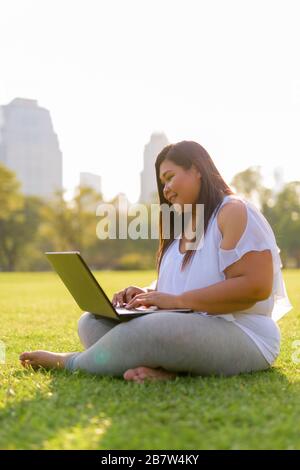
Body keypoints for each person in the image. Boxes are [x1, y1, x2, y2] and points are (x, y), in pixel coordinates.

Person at [20, 141, 293, 383]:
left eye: (170, 177)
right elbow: (186, 286)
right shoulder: (183, 227)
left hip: (244, 334)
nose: (166, 190)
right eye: (162, 183)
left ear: (197, 169)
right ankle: (169, 370)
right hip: (187, 328)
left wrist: (177, 301)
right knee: (92, 322)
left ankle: (71, 362)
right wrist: (148, 295)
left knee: (149, 331)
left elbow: (255, 288)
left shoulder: (233, 211)